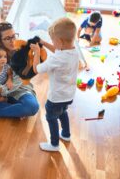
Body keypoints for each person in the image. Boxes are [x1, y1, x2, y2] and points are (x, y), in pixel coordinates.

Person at [32, 17, 79, 152]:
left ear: (59, 41)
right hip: (68, 95)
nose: (52, 43)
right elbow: (58, 49)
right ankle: (66, 134)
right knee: (63, 112)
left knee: (51, 117)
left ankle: (54, 144)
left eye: (53, 40)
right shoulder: (73, 51)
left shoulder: (56, 59)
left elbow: (37, 69)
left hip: (56, 97)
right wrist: (43, 43)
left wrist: (37, 52)